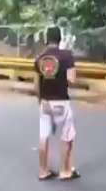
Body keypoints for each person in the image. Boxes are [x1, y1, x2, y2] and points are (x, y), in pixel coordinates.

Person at [34, 26, 80, 181]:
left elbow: (36, 86)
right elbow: (71, 80)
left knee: (43, 136)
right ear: (60, 39)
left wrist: (41, 99)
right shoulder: (67, 56)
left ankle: (43, 171)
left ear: (46, 39)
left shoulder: (39, 58)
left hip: (45, 102)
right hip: (61, 102)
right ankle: (66, 171)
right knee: (67, 135)